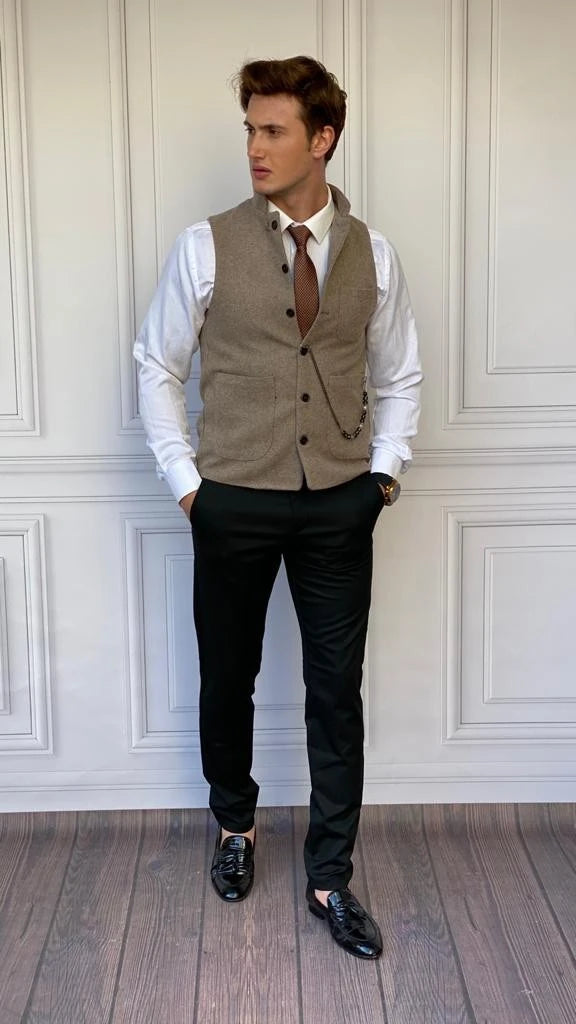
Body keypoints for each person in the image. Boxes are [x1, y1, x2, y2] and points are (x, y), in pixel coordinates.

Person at [134, 56, 422, 960]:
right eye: (250, 130)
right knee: (229, 678)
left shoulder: (374, 253)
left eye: (274, 131)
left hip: (339, 502)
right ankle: (235, 825)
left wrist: (382, 478)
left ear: (321, 139)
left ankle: (331, 876)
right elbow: (158, 364)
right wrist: (188, 484)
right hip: (232, 499)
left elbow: (400, 375)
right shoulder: (204, 245)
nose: (255, 148)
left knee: (336, 694)